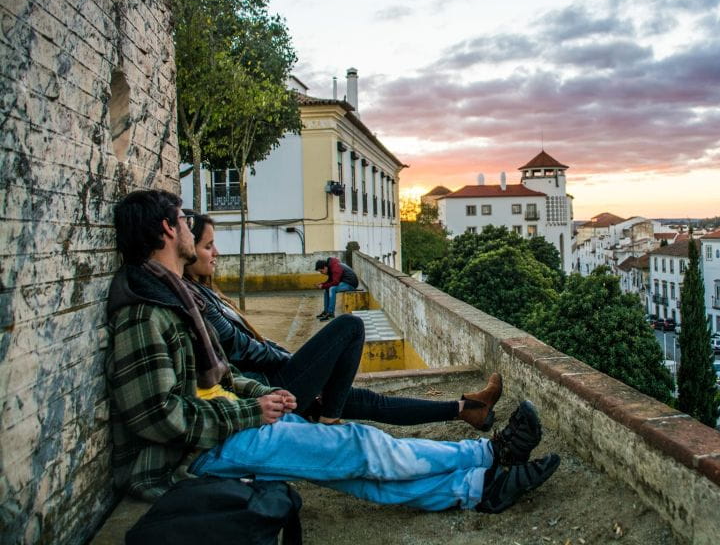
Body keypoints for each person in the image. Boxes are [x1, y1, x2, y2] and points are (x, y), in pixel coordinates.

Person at [105, 190, 560, 513]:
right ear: (168, 229)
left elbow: (220, 376)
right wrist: (251, 410)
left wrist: (255, 395)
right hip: (199, 451)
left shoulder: (175, 296)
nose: (191, 227)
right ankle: (486, 456)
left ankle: (479, 487)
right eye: (185, 220)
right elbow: (159, 418)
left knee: (354, 471)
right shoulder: (147, 313)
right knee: (357, 446)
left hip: (234, 419)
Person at [184, 213, 501, 430]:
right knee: (350, 326)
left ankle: (468, 410)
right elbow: (246, 352)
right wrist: (298, 360)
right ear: (187, 250)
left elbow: (252, 347)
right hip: (270, 388)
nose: (217, 253)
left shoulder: (203, 293)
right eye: (208, 246)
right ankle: (330, 420)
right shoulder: (196, 301)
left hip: (274, 379)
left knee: (369, 401)